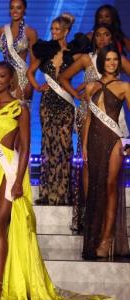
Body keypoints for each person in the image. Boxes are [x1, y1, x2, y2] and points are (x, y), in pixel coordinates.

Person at [0, 62, 113, 300]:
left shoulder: (20, 109)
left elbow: (25, 147)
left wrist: (17, 181)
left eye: (1, 76)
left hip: (8, 172)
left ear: (11, 80)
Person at [58, 23, 130, 232]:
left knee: (108, 175)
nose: (101, 39)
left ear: (111, 37)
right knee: (89, 167)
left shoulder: (117, 63)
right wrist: (77, 93)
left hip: (113, 118)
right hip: (89, 117)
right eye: (98, 35)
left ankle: (105, 225)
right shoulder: (86, 59)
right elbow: (63, 78)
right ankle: (91, 214)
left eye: (106, 34)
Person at [27, 13, 84, 205]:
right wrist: (37, 86)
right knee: (48, 145)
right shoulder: (46, 52)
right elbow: (29, 72)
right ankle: (47, 192)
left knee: (63, 146)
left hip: (65, 104)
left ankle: (63, 193)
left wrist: (81, 90)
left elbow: (91, 68)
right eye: (52, 29)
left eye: (57, 29)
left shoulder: (73, 53)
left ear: (66, 31)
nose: (53, 32)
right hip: (48, 103)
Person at [82, 47, 130, 260]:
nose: (111, 63)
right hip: (93, 142)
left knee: (110, 186)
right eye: (107, 59)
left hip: (114, 141)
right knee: (95, 188)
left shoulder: (124, 86)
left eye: (114, 60)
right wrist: (83, 146)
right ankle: (93, 237)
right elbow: (89, 119)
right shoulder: (91, 86)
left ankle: (107, 238)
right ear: (101, 61)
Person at [0, 0, 37, 101]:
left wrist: (30, 83)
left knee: (18, 111)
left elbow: (34, 61)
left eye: (18, 8)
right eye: (12, 7)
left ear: (24, 10)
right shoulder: (1, 30)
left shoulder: (30, 32)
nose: (15, 11)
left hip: (21, 77)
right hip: (4, 76)